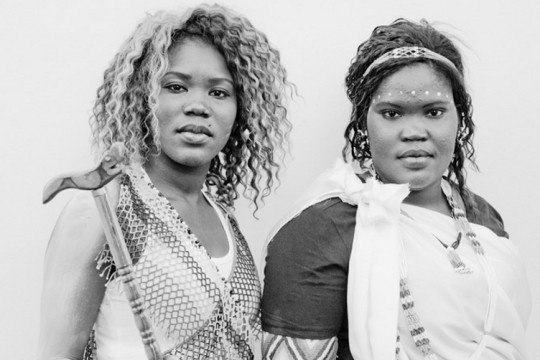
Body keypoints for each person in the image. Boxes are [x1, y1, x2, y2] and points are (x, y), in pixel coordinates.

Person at [261, 19, 531, 360]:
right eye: (392, 113)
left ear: (459, 119)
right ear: (363, 123)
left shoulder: (483, 218)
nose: (414, 131)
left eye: (434, 112)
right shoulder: (320, 230)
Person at [38, 4, 292, 360]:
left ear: (241, 110)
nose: (198, 106)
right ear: (143, 97)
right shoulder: (103, 207)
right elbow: (56, 353)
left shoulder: (225, 219)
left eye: (219, 92)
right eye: (175, 86)